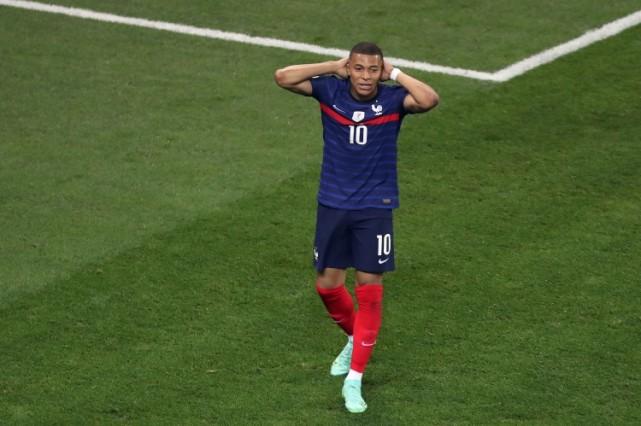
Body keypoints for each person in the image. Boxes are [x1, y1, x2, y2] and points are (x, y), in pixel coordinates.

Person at [274, 42, 439, 413]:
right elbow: (283, 77)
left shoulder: (393, 100)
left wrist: (396, 74)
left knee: (369, 290)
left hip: (374, 208)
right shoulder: (329, 90)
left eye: (373, 70)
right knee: (327, 286)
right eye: (359, 68)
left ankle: (354, 380)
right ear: (349, 68)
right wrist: (332, 65)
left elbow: (429, 99)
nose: (366, 77)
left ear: (382, 71)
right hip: (332, 204)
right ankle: (354, 338)